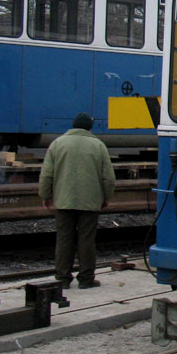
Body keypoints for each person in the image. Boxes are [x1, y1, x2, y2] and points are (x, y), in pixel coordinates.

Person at [38, 113, 115, 289]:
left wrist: (45, 195)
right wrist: (106, 197)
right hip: (90, 201)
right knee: (86, 239)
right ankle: (86, 279)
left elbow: (47, 174)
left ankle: (62, 278)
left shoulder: (57, 144)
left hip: (63, 201)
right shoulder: (98, 146)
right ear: (89, 127)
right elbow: (108, 178)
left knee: (64, 239)